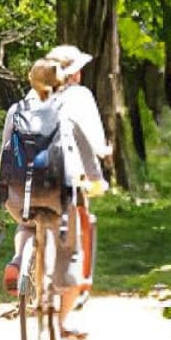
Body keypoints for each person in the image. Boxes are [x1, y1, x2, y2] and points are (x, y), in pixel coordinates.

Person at [0, 58, 89, 336]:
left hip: (18, 196)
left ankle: (18, 260)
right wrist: (93, 180)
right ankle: (62, 318)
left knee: (26, 223)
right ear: (60, 84)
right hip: (56, 197)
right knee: (71, 249)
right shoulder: (64, 111)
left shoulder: (16, 110)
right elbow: (78, 155)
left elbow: (5, 149)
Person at [46, 45, 112, 297]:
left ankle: (22, 261)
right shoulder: (81, 95)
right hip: (69, 174)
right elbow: (91, 139)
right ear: (74, 74)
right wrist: (102, 159)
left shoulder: (36, 95)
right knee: (80, 221)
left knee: (33, 223)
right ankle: (75, 287)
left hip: (30, 180)